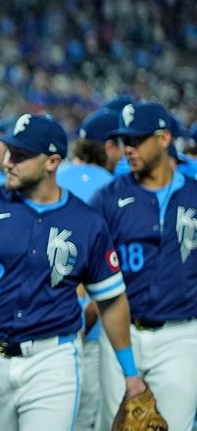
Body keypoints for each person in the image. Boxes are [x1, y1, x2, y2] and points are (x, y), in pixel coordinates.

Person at [0, 114, 146, 431]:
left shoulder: (86, 222)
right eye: (10, 151)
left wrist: (130, 374)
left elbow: (111, 299)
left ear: (53, 161)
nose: (8, 162)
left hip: (52, 361)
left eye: (22, 156)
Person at [93, 102, 197, 431]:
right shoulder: (108, 197)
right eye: (125, 140)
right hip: (120, 333)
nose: (129, 148)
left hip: (181, 334)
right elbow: (88, 265)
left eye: (137, 139)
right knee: (117, 426)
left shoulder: (194, 195)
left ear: (164, 139)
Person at [54, 107, 122, 431]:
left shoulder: (51, 177)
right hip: (91, 321)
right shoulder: (116, 186)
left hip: (40, 317)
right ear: (109, 147)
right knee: (85, 418)